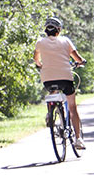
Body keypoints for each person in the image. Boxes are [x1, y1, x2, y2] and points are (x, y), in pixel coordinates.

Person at [33, 16, 87, 149]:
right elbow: (78, 58)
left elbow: (36, 59)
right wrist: (80, 62)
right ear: (58, 30)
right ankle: (78, 139)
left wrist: (40, 65)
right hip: (65, 78)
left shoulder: (40, 42)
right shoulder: (65, 41)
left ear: (46, 30)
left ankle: (50, 112)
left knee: (53, 90)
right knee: (72, 107)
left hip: (48, 79)